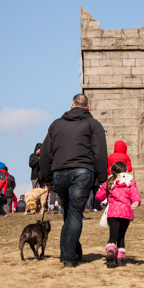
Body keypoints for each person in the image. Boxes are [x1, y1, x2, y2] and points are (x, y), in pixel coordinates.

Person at [39, 93, 108, 268]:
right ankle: (68, 257)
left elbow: (46, 152)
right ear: (88, 107)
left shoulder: (56, 124)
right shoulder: (93, 124)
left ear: (71, 106)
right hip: (82, 172)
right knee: (75, 213)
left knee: (69, 213)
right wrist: (102, 178)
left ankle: (74, 251)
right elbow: (100, 152)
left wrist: (47, 177)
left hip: (59, 173)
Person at [95, 161, 141, 268]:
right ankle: (120, 260)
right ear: (126, 170)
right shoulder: (130, 182)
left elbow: (99, 197)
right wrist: (136, 202)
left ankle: (111, 251)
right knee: (121, 236)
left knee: (113, 236)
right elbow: (135, 194)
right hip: (126, 213)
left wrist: (100, 190)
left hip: (113, 213)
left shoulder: (110, 183)